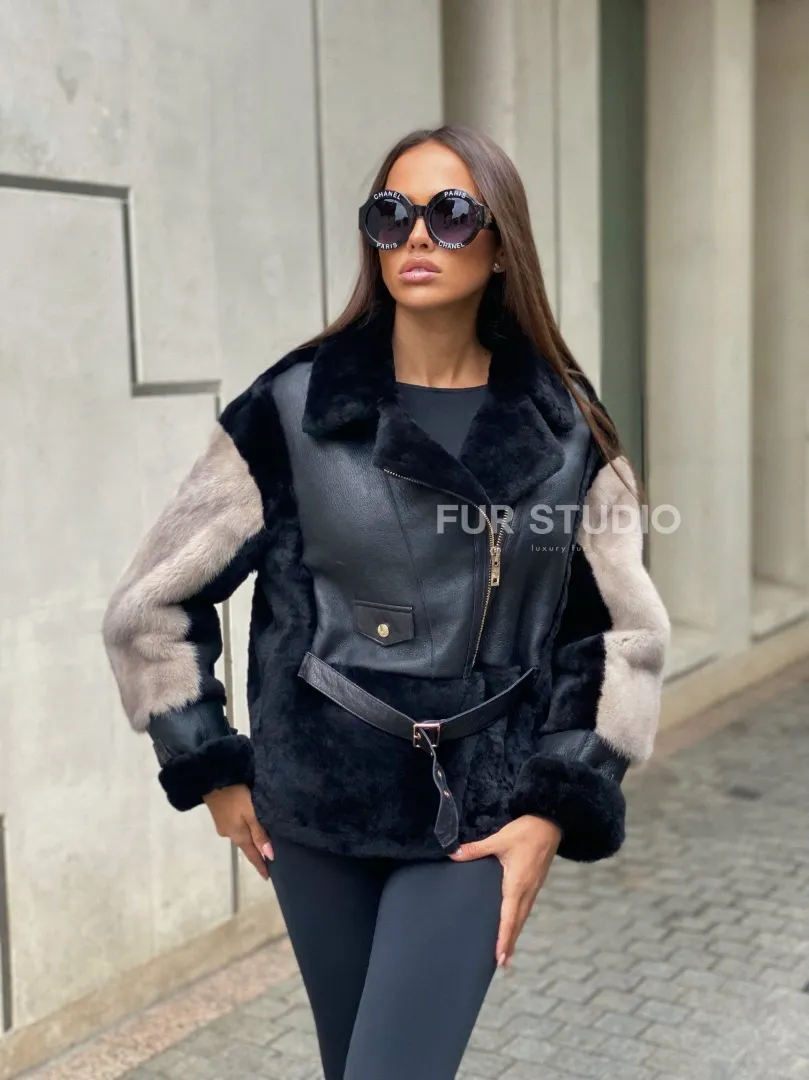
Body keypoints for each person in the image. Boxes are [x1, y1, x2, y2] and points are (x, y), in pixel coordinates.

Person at [102, 124, 671, 1080]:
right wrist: (208, 764)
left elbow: (618, 636)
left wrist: (557, 803)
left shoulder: (566, 426)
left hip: (480, 812)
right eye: (390, 213)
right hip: (317, 804)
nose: (415, 235)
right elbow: (150, 607)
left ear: (500, 245)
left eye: (449, 214)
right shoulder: (294, 407)